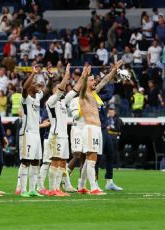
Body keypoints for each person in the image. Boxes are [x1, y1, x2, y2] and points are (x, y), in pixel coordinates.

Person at [79, 61, 123, 195]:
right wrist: (84, 76)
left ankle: (81, 185)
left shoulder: (94, 94)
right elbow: (81, 86)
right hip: (90, 128)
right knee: (92, 158)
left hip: (98, 129)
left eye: (94, 80)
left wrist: (114, 70)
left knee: (89, 158)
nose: (94, 82)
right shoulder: (83, 95)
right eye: (91, 80)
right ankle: (94, 187)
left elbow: (104, 80)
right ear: (86, 82)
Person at [45, 63, 81, 197]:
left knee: (61, 162)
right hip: (56, 135)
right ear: (54, 91)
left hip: (63, 136)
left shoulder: (62, 102)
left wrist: (83, 77)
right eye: (58, 89)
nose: (62, 90)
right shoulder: (51, 101)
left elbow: (74, 91)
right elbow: (62, 88)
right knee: (56, 160)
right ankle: (52, 189)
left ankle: (57, 189)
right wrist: (66, 74)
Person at [17, 65, 47, 198]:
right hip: (27, 133)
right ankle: (23, 190)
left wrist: (50, 79)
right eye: (34, 84)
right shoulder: (25, 98)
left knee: (36, 162)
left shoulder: (37, 97)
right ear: (29, 86)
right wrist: (33, 74)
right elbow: (24, 88)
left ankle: (32, 189)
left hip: (36, 134)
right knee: (26, 161)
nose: (37, 85)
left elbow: (48, 89)